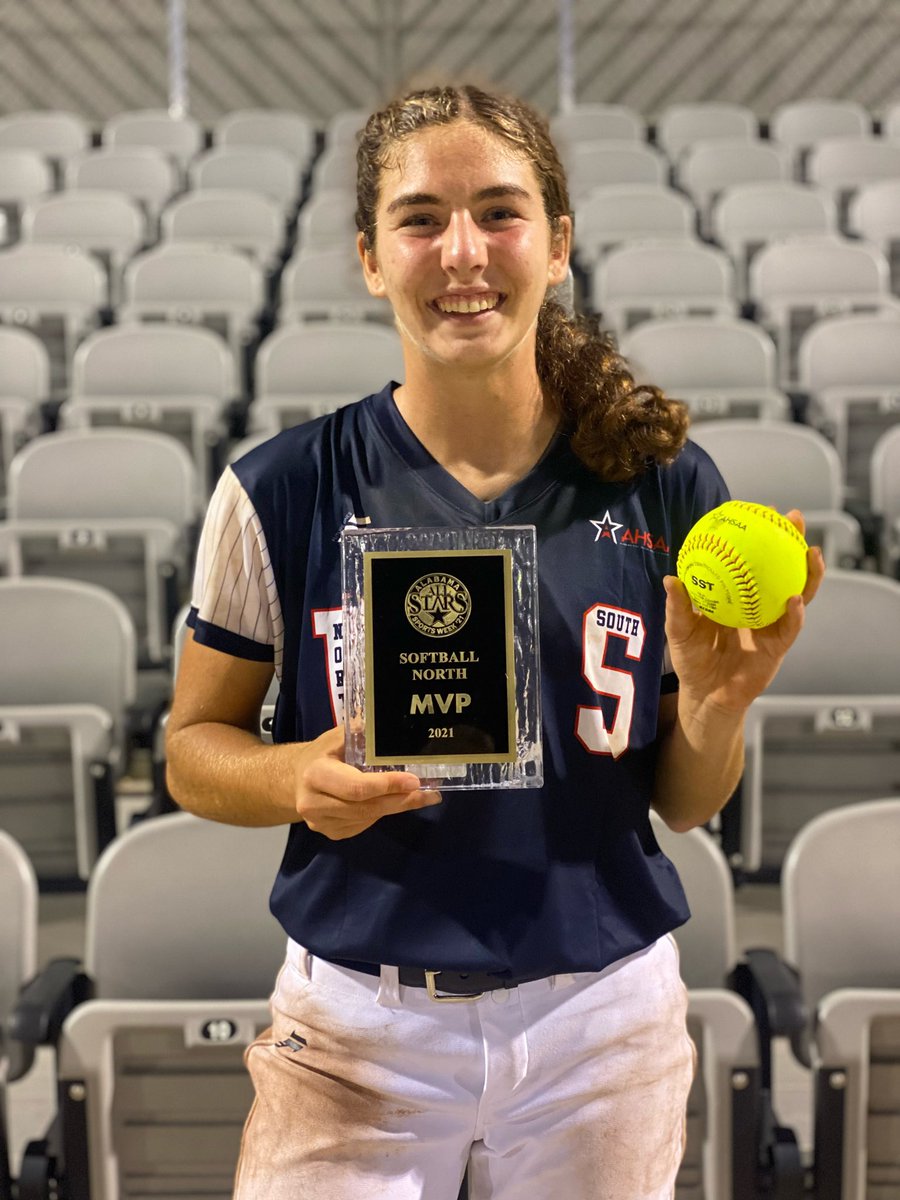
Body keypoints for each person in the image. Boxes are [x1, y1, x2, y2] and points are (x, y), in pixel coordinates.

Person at [166, 83, 825, 1200]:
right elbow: (191, 746)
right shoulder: (276, 491)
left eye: (500, 212)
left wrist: (718, 710)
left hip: (600, 1025)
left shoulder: (666, 486)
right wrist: (296, 778)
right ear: (372, 257)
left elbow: (686, 801)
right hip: (353, 1031)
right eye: (421, 219)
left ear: (557, 243)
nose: (462, 250)